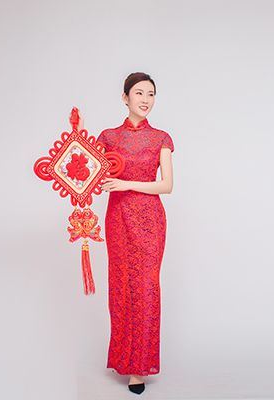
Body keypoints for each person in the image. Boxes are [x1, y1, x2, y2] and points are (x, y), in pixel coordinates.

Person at [79, 72, 174, 395]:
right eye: (139, 93)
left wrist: (126, 184)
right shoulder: (107, 137)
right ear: (125, 97)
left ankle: (140, 369)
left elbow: (167, 185)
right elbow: (87, 172)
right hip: (118, 219)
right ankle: (123, 359)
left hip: (150, 221)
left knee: (146, 288)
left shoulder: (161, 138)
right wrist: (78, 137)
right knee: (122, 287)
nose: (145, 100)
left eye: (151, 94)